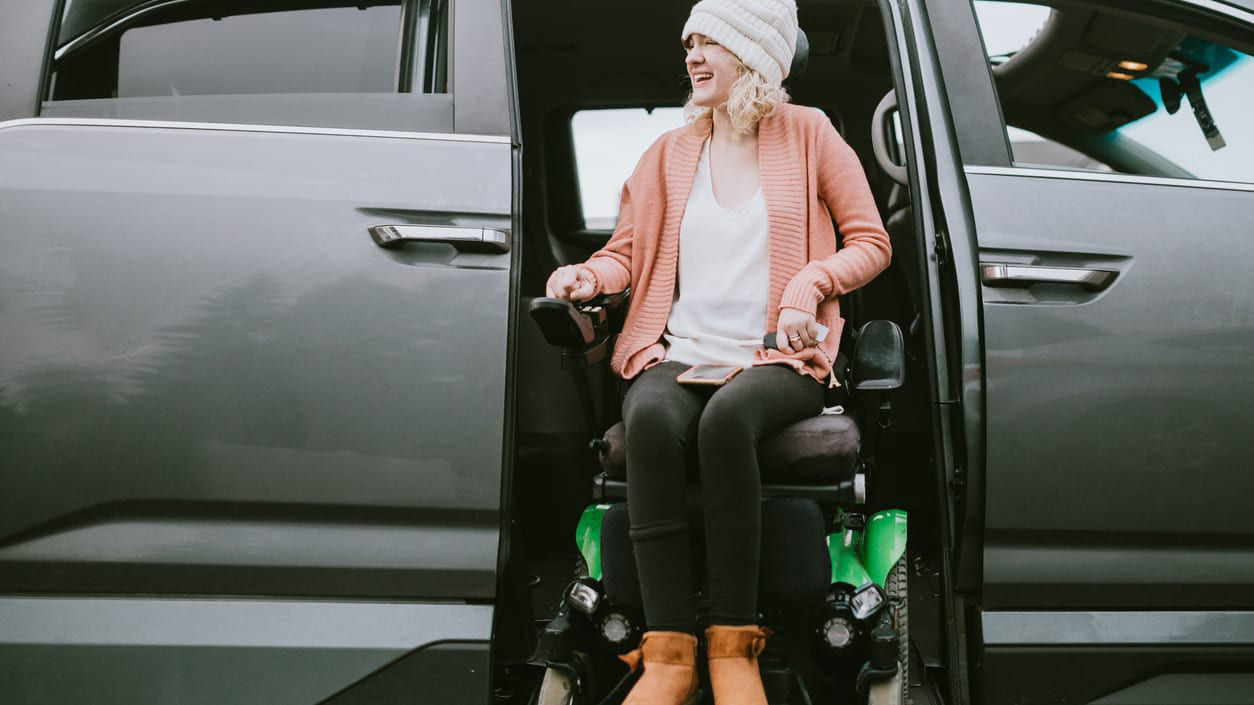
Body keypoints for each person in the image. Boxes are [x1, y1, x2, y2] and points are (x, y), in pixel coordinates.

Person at [545, 1, 892, 702]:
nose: (692, 57)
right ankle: (669, 650)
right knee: (646, 417)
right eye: (689, 45)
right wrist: (588, 278)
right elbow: (624, 255)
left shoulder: (809, 134)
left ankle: (734, 643)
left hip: (777, 359)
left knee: (726, 420)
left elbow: (871, 242)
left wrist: (811, 280)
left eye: (708, 44)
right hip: (680, 352)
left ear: (753, 55)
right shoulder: (668, 154)